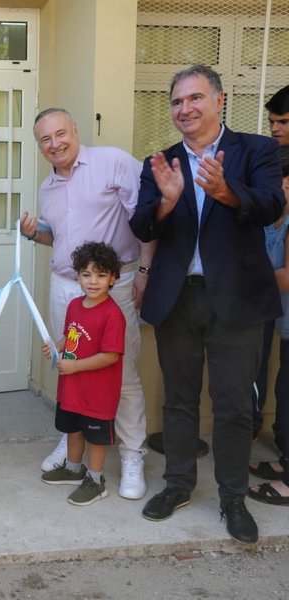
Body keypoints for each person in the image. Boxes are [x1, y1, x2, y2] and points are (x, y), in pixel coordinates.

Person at [130, 65, 285, 544]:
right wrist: (167, 204)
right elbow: (141, 226)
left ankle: (233, 498)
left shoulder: (256, 150)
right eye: (177, 102)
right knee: (177, 398)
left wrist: (224, 191)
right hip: (180, 298)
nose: (185, 109)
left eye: (195, 98)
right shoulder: (161, 161)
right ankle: (178, 484)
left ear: (219, 101)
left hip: (237, 300)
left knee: (235, 405)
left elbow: (270, 207)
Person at [20, 107, 154, 500]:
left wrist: (145, 271)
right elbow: (58, 238)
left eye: (60, 133)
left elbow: (145, 219)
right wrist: (34, 233)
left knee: (122, 373)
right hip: (66, 286)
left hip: (115, 285)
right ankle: (71, 444)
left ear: (75, 131)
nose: (55, 143)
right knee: (71, 371)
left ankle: (132, 456)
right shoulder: (48, 187)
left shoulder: (112, 162)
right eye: (45, 139)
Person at [41, 242, 125, 506]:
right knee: (73, 431)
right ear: (77, 276)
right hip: (72, 389)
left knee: (96, 437)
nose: (93, 281)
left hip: (97, 394)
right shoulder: (75, 305)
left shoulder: (113, 315)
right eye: (87, 274)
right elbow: (71, 335)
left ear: (113, 278)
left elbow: (111, 355)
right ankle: (74, 469)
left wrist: (75, 366)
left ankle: (96, 479)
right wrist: (58, 346)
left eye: (101, 275)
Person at [249, 146, 289, 506]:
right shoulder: (273, 219)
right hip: (281, 322)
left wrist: (245, 277)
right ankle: (284, 464)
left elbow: (287, 276)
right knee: (282, 387)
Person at [252, 85, 289, 436]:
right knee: (254, 363)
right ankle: (249, 426)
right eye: (272, 121)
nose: (276, 128)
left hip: (270, 283)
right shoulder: (266, 156)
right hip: (261, 292)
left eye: (284, 121)